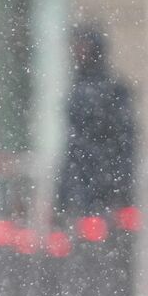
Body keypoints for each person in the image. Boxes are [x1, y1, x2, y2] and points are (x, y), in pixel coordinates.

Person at [54, 24, 138, 219]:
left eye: (84, 47)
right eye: (77, 47)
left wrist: (119, 186)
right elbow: (72, 147)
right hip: (83, 184)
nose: (79, 53)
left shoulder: (112, 90)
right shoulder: (78, 88)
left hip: (104, 186)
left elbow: (125, 141)